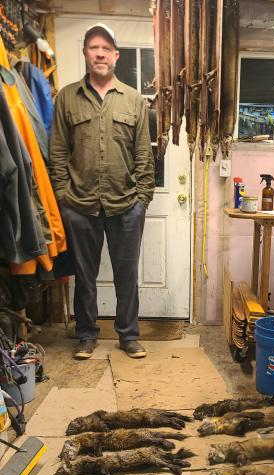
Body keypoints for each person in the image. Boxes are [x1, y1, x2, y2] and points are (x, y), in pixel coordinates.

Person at [49, 23, 155, 360]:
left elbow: (143, 153)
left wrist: (142, 199)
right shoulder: (66, 98)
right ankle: (86, 335)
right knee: (85, 276)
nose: (100, 54)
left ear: (116, 56)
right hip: (79, 206)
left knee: (127, 276)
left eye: (106, 49)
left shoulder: (134, 100)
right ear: (85, 53)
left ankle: (129, 336)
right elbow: (58, 151)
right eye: (94, 47)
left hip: (126, 205)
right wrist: (63, 196)